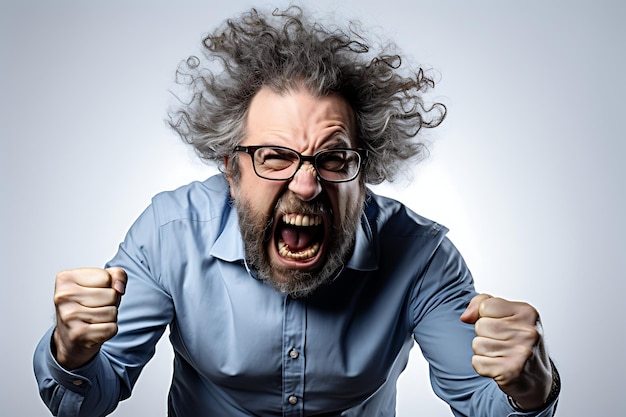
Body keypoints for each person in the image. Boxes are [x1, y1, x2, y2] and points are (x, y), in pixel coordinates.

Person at [33, 6, 560, 417]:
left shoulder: (421, 258)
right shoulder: (171, 236)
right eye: (275, 157)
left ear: (364, 172)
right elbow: (87, 399)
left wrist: (531, 388)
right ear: (232, 173)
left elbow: (489, 405)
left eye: (332, 158)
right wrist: (71, 350)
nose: (305, 185)